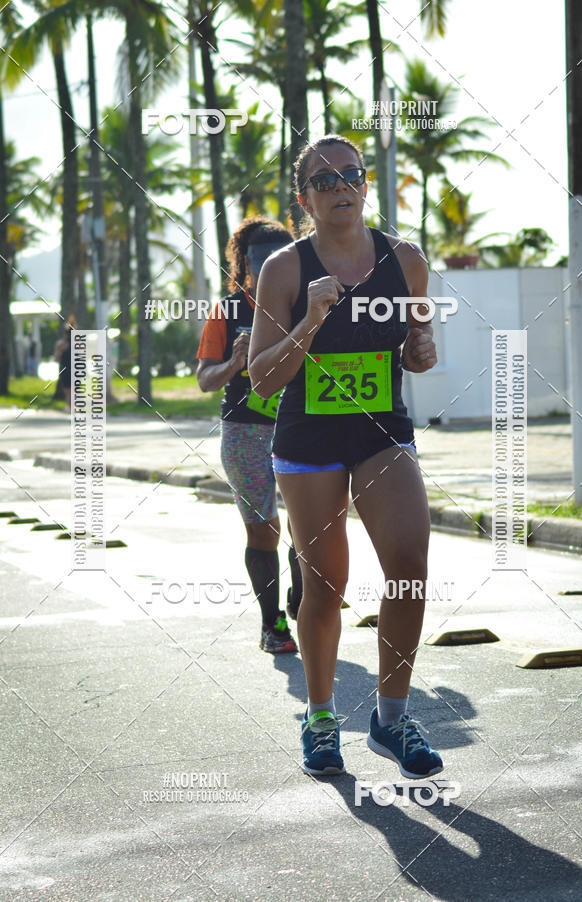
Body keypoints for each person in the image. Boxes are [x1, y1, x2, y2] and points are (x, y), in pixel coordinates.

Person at [248, 135, 444, 778]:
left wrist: (419, 351)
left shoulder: (405, 259)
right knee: (325, 585)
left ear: (366, 187)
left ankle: (391, 719)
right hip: (309, 441)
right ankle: (323, 717)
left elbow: (419, 343)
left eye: (350, 175)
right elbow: (261, 381)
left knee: (410, 566)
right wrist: (308, 322)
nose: (339, 187)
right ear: (304, 197)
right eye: (323, 179)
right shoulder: (284, 269)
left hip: (380, 431)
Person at [196, 217, 303, 654]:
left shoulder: (306, 303)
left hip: (301, 428)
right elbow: (205, 380)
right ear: (244, 266)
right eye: (258, 263)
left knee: (310, 530)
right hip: (245, 435)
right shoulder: (227, 311)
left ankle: (302, 596)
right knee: (264, 534)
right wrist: (235, 364)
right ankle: (272, 624)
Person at [58, 324, 73, 412]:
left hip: (73, 368)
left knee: (72, 389)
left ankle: (70, 406)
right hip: (65, 369)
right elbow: (57, 357)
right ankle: (69, 405)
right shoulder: (61, 344)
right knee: (67, 389)